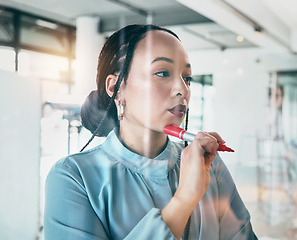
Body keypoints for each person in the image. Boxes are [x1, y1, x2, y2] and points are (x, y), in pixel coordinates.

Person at [44, 24, 258, 240]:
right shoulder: (73, 177)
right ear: (116, 87)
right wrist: (184, 199)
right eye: (162, 73)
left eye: (187, 78)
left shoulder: (210, 166)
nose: (183, 89)